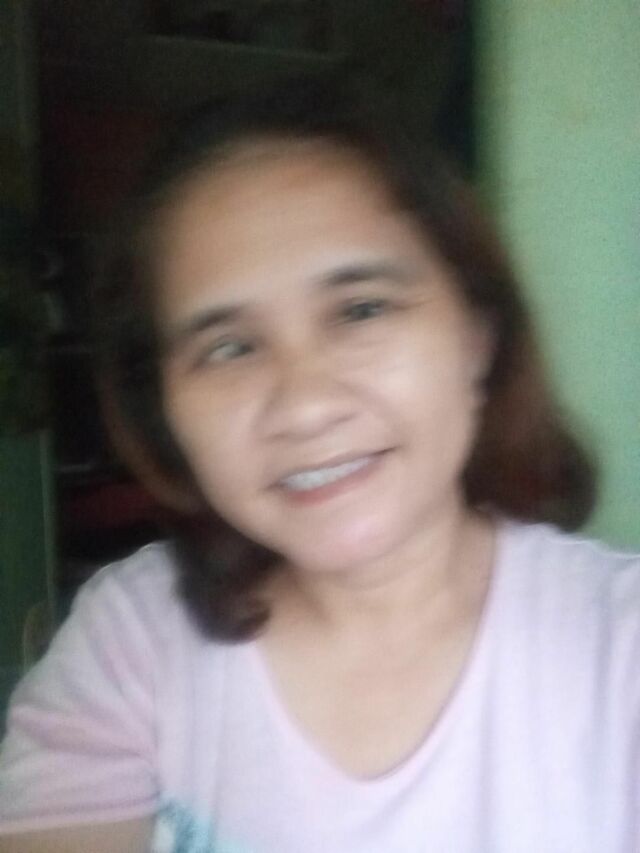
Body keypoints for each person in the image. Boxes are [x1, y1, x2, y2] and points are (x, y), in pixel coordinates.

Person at [0, 75, 638, 853]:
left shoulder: (619, 648)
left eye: (361, 309)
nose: (304, 405)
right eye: (229, 348)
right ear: (162, 405)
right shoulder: (131, 640)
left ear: (477, 336)